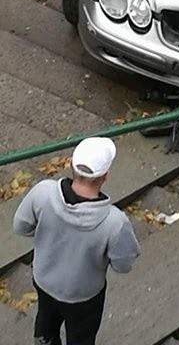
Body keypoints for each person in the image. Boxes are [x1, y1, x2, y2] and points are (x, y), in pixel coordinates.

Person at [13, 136, 140, 345]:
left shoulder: (43, 193)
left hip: (44, 281)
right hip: (84, 296)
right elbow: (123, 265)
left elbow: (21, 226)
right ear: (105, 175)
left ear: (71, 164)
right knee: (82, 336)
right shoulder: (115, 222)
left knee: (46, 320)